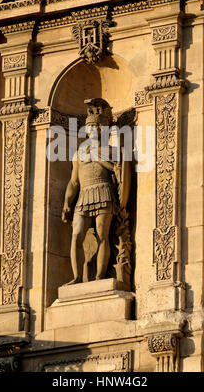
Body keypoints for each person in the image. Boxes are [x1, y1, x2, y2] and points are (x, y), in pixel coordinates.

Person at [62, 98, 120, 284]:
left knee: (103, 235)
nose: (92, 130)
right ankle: (77, 277)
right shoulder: (79, 153)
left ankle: (99, 277)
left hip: (103, 191)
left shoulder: (111, 150)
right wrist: (67, 204)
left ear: (103, 128)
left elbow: (118, 170)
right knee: (76, 236)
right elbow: (74, 181)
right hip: (84, 195)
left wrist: (97, 157)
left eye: (95, 126)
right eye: (89, 127)